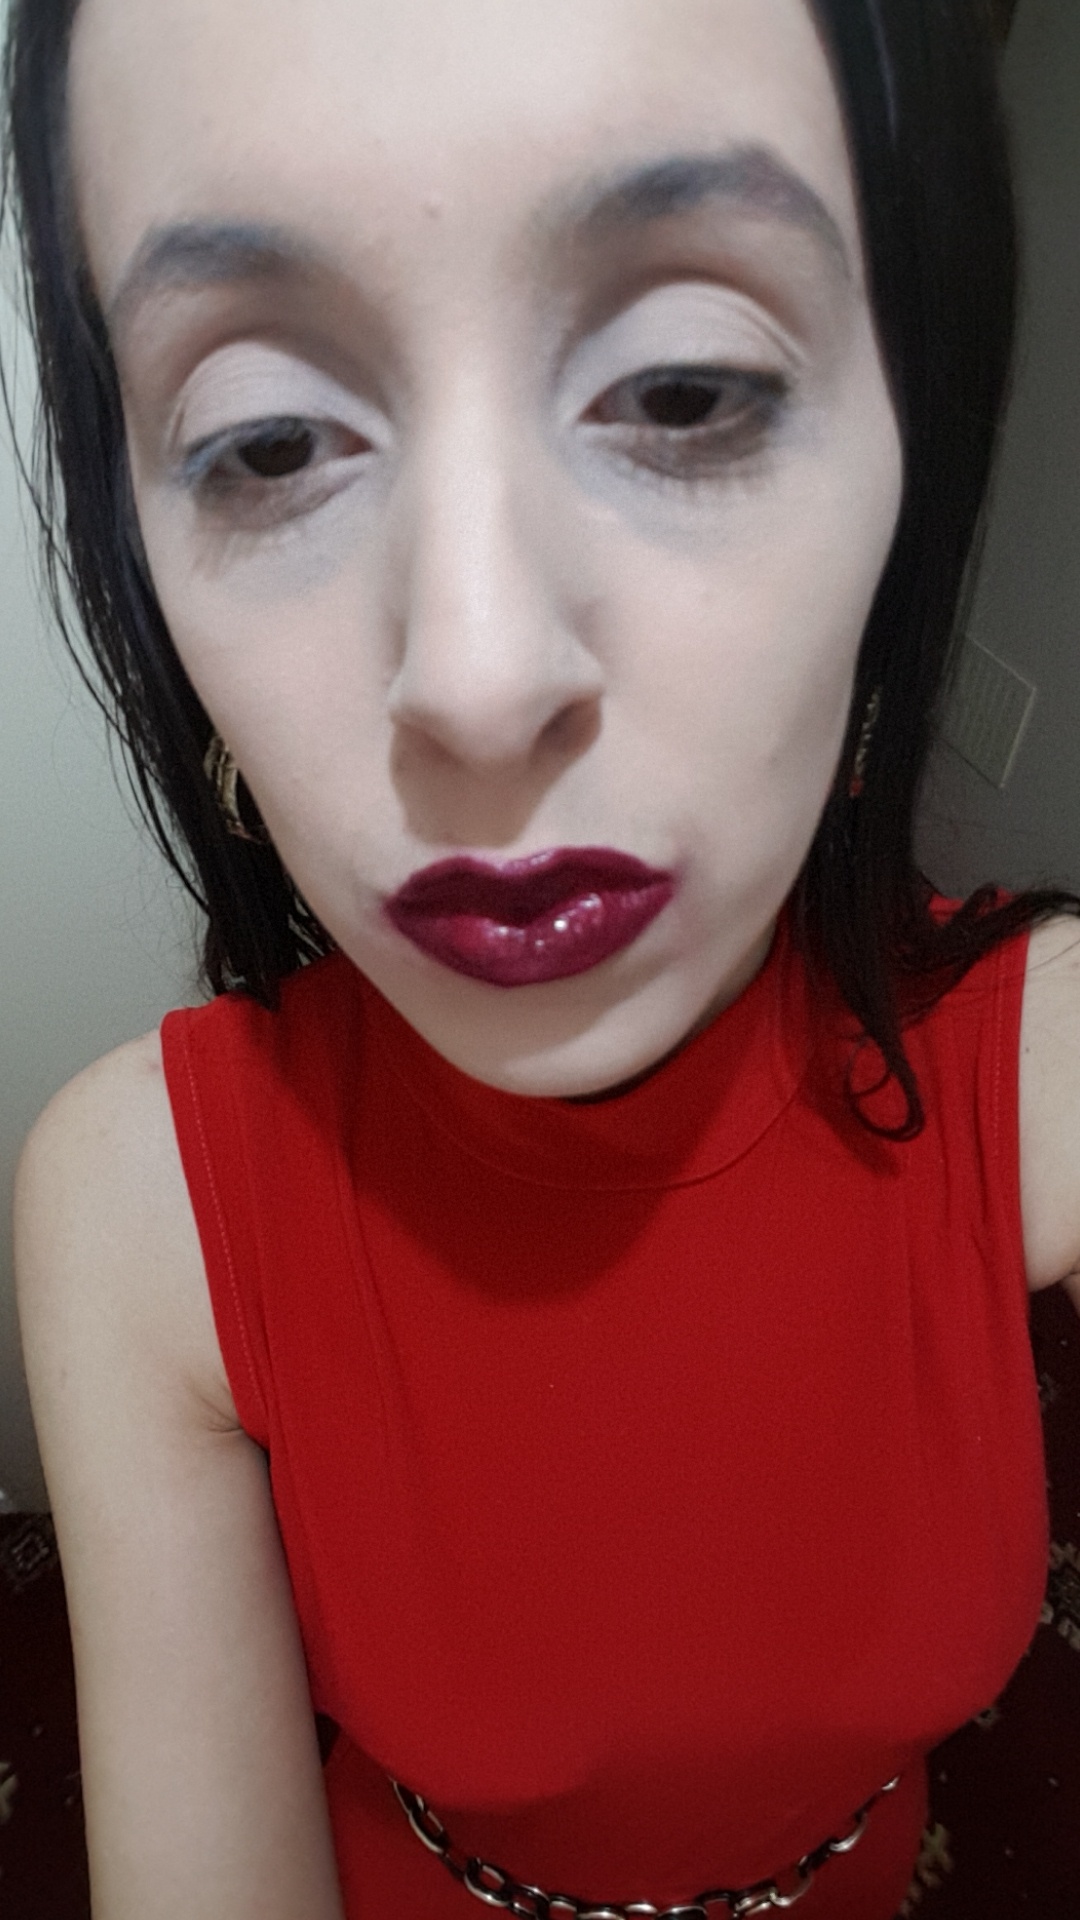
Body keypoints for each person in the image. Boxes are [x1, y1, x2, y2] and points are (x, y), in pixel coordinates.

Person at [8, 0, 1080, 1915]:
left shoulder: (1044, 1058)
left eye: (685, 393)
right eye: (268, 441)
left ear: (912, 451)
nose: (478, 673)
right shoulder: (144, 1207)